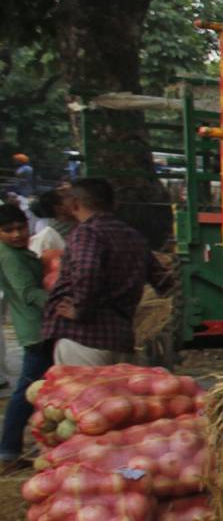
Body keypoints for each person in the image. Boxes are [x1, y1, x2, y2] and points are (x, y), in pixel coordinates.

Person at [40, 177, 174, 366]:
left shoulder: (86, 233)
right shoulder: (132, 235)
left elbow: (87, 272)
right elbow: (163, 281)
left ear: (75, 204)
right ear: (114, 204)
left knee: (83, 392)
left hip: (84, 338)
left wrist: (80, 310)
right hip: (119, 337)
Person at [0, 206, 51, 461]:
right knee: (26, 391)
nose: (17, 234)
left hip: (38, 327)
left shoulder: (19, 252)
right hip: (36, 330)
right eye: (8, 230)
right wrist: (62, 301)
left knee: (35, 388)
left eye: (20, 227)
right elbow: (28, 292)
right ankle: (8, 450)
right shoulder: (9, 256)